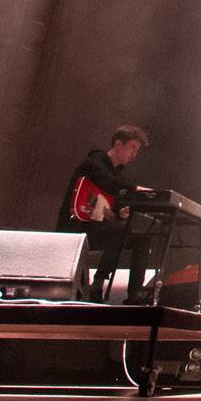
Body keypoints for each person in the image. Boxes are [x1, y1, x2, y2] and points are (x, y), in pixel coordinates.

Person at [57, 124, 151, 301]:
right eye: (132, 147)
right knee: (121, 231)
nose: (134, 154)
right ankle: (97, 285)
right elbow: (108, 182)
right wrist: (136, 189)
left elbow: (113, 209)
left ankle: (134, 295)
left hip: (99, 229)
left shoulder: (120, 175)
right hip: (76, 227)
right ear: (118, 144)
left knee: (142, 239)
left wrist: (121, 212)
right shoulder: (92, 163)